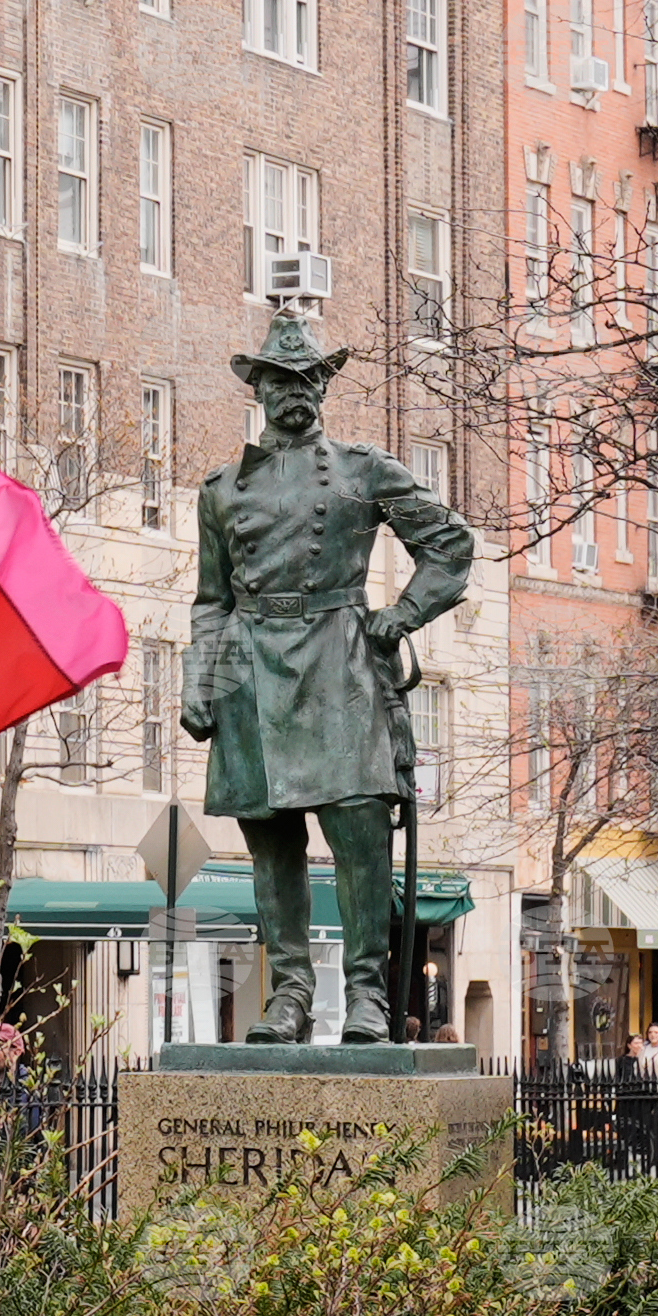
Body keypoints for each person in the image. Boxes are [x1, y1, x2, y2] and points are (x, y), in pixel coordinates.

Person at [180, 312, 473, 1045]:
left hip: (340, 660)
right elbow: (211, 601)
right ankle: (289, 994)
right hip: (251, 667)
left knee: (357, 836)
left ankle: (369, 995)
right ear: (260, 388)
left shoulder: (361, 470)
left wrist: (400, 616)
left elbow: (450, 545)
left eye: (308, 378)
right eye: (281, 380)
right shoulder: (220, 491)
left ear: (324, 386)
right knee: (271, 845)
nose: (295, 392)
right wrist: (201, 683)